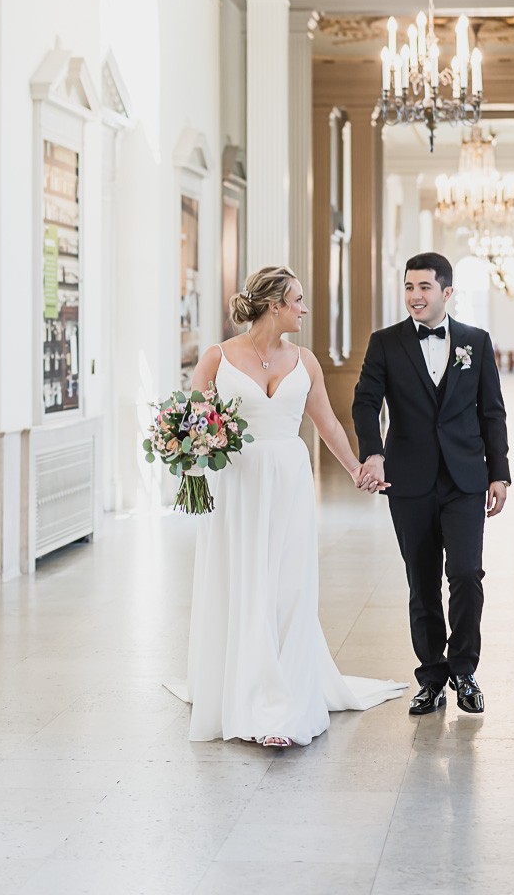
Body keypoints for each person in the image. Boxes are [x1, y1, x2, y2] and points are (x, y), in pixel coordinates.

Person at [167, 265, 407, 748]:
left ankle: (287, 696)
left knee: (289, 586)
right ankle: (260, 705)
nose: (304, 308)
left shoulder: (307, 361)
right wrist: (191, 459)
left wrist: (358, 468)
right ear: (273, 304)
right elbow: (191, 423)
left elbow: (329, 425)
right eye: (297, 299)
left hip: (291, 486)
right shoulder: (217, 358)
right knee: (246, 584)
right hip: (238, 488)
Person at [352, 252, 510, 716]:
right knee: (421, 583)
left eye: (423, 287)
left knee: (465, 574)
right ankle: (431, 676)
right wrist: (373, 452)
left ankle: (464, 669)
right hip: (409, 480)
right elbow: (366, 402)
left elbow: (492, 412)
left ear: (447, 292)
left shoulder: (475, 343)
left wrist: (498, 472)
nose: (414, 297)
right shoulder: (385, 343)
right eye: (408, 287)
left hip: (465, 478)